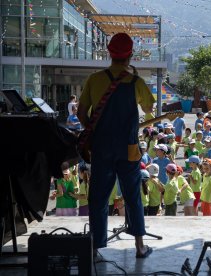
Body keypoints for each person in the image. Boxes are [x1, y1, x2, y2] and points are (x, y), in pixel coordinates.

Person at [77, 33, 154, 258]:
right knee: (132, 196)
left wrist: (95, 131)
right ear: (130, 55)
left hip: (101, 148)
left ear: (109, 53)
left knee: (98, 197)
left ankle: (95, 249)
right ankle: (140, 247)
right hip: (129, 149)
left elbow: (82, 114)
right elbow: (149, 109)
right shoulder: (136, 82)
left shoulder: (94, 79)